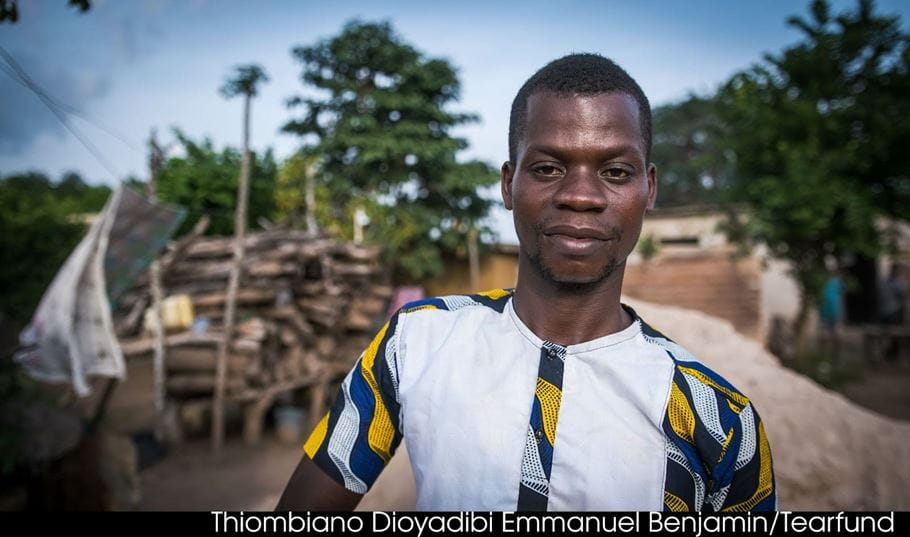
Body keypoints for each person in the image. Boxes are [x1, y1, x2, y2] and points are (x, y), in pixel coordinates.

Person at [277, 53, 776, 512]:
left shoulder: (719, 418)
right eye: (548, 167)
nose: (581, 196)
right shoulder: (415, 343)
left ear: (650, 188)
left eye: (616, 171)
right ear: (507, 184)